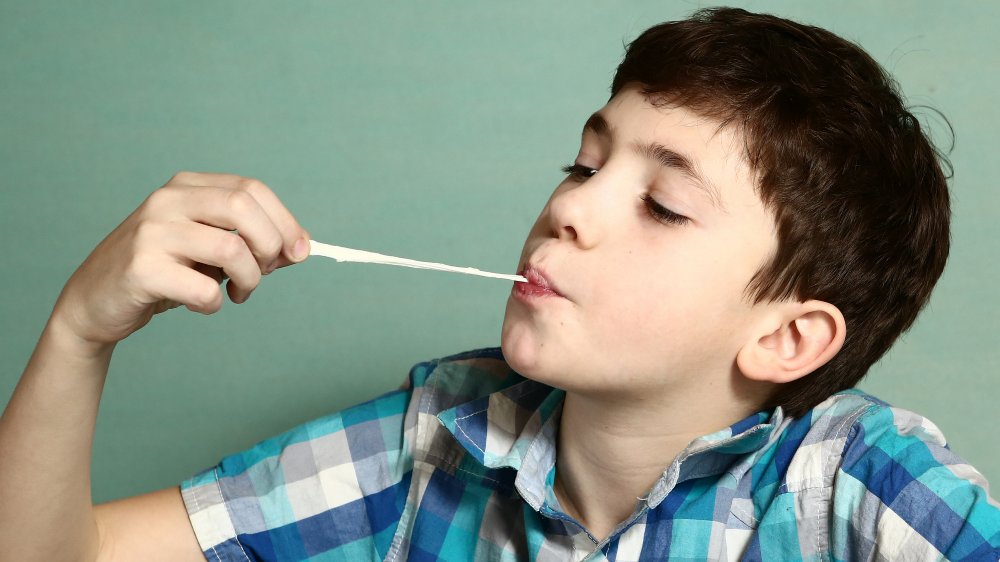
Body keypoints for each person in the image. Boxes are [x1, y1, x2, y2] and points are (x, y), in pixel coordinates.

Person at [2, 7, 998, 561]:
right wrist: (78, 335)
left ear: (785, 338)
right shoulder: (435, 443)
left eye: (662, 204)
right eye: (582, 163)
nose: (572, 207)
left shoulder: (858, 488)